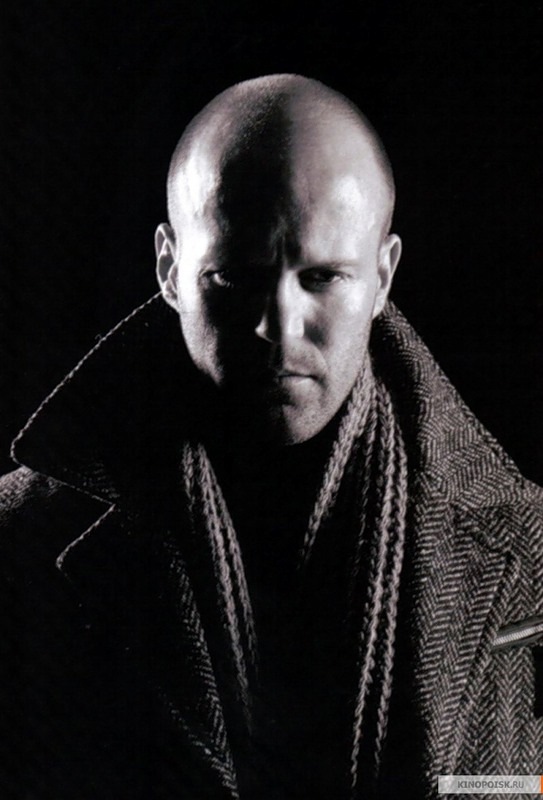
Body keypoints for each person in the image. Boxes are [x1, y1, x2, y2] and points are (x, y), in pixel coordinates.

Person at [1, 74, 543, 800]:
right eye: (234, 278)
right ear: (170, 269)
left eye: (323, 277)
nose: (277, 328)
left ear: (382, 277)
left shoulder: (528, 550)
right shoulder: (20, 542)